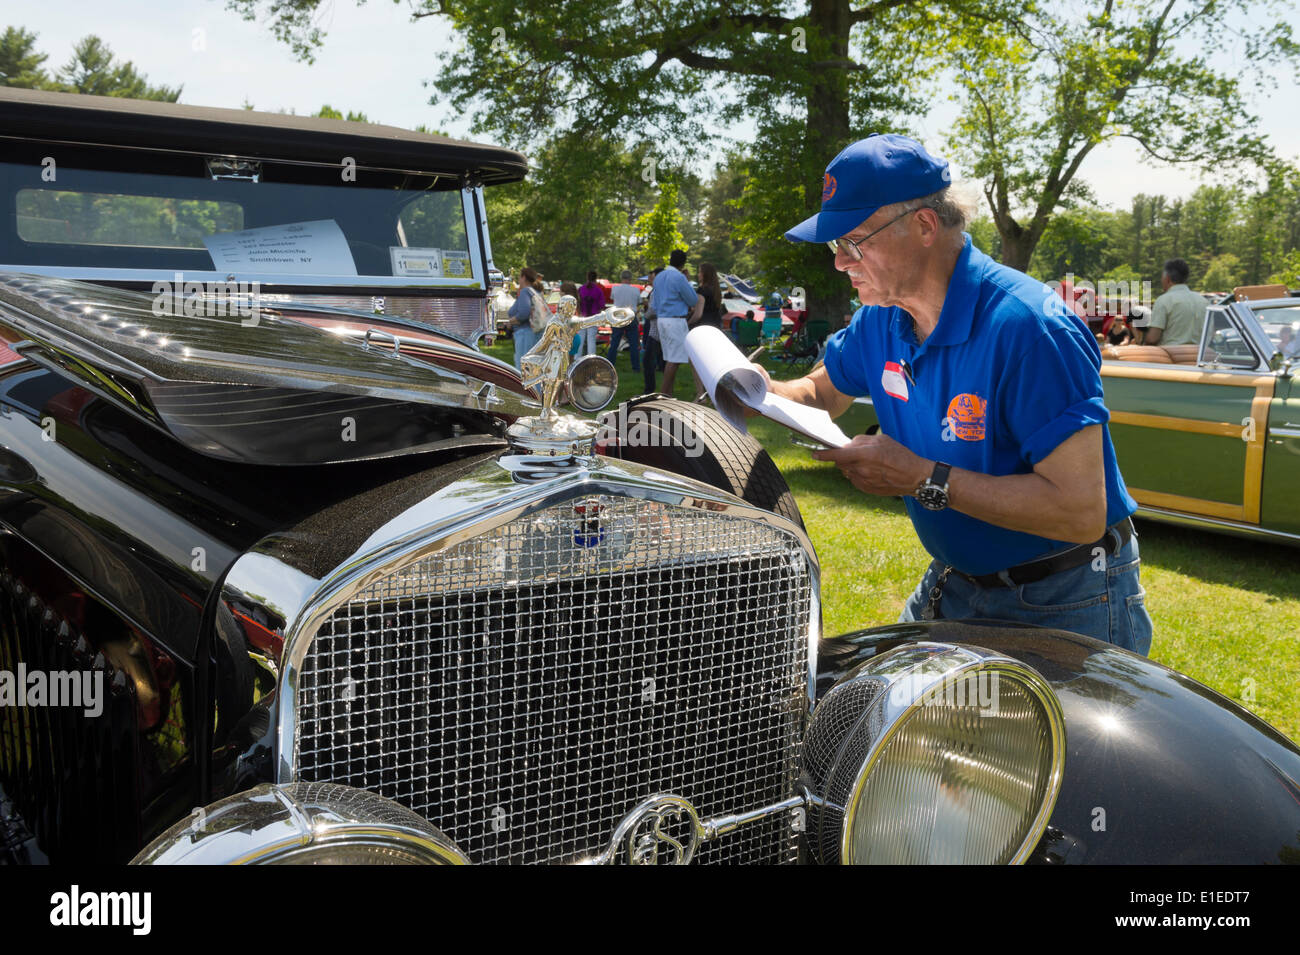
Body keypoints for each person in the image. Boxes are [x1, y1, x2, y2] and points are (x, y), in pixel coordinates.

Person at [755, 132, 1151, 654]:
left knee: (1051, 740)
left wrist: (923, 478)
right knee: (886, 723)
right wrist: (756, 390)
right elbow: (821, 391)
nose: (839, 262)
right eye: (836, 245)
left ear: (923, 225)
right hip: (958, 580)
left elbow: (1079, 511)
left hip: (1065, 598)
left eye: (853, 242)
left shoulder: (1030, 328)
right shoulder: (881, 319)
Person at [651, 249, 698, 395]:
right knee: (674, 360)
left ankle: (668, 394)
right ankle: (664, 394)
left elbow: (654, 303)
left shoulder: (658, 277)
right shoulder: (679, 277)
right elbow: (693, 299)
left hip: (661, 319)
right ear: (683, 263)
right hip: (675, 320)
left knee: (670, 358)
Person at [1144, 259, 1206, 346]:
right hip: (1199, 356)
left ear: (1167, 279)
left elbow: (1152, 338)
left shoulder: (1164, 300)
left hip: (1170, 356)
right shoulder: (1203, 301)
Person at [507, 267, 544, 369]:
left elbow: (524, 313)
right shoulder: (535, 292)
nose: (519, 280)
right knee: (531, 368)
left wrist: (510, 322)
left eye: (519, 277)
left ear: (523, 277)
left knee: (523, 369)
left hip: (525, 334)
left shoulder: (525, 292)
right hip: (532, 333)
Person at [607, 269, 643, 371]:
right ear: (630, 279)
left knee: (614, 342)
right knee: (633, 344)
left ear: (621, 278)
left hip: (618, 317)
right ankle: (636, 367)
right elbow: (639, 302)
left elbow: (613, 298)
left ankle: (609, 365)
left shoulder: (615, 289)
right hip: (631, 316)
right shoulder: (636, 290)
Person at [641, 267, 664, 392]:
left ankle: (649, 390)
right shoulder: (648, 289)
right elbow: (642, 298)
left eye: (652, 277)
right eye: (650, 278)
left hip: (655, 325)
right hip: (656, 325)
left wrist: (647, 310)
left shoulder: (655, 290)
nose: (650, 279)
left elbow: (652, 310)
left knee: (648, 359)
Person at [577, 271, 604, 356]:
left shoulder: (581, 289)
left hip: (582, 316)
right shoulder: (598, 290)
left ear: (587, 277)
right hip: (593, 316)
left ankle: (577, 359)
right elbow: (601, 305)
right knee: (591, 339)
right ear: (596, 278)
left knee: (580, 338)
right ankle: (591, 358)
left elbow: (577, 302)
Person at [692, 262, 724, 330]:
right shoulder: (717, 291)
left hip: (704, 326)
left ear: (705, 274)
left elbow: (698, 314)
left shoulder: (702, 290)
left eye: (700, 272)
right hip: (716, 325)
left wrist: (688, 323)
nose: (698, 275)